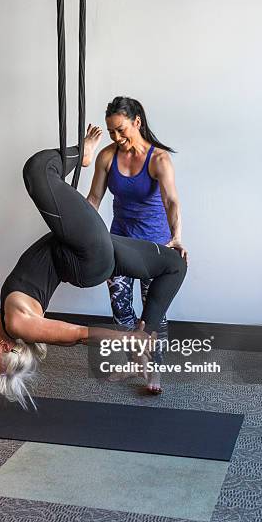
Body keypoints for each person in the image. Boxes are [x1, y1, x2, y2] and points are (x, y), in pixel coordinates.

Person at [0, 129, 187, 408]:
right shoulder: (18, 324)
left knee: (174, 264)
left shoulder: (9, 321)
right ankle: (83, 153)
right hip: (84, 256)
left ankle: (146, 329)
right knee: (37, 170)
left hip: (83, 255)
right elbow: (78, 335)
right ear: (4, 347)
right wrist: (127, 339)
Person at [87, 97, 187, 394]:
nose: (116, 137)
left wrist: (177, 236)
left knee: (153, 312)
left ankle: (154, 370)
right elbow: (93, 201)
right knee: (120, 308)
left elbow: (171, 201)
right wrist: (84, 235)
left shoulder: (159, 160)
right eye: (111, 132)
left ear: (137, 122)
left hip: (153, 248)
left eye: (121, 130)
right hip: (117, 244)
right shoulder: (107, 156)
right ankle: (134, 361)